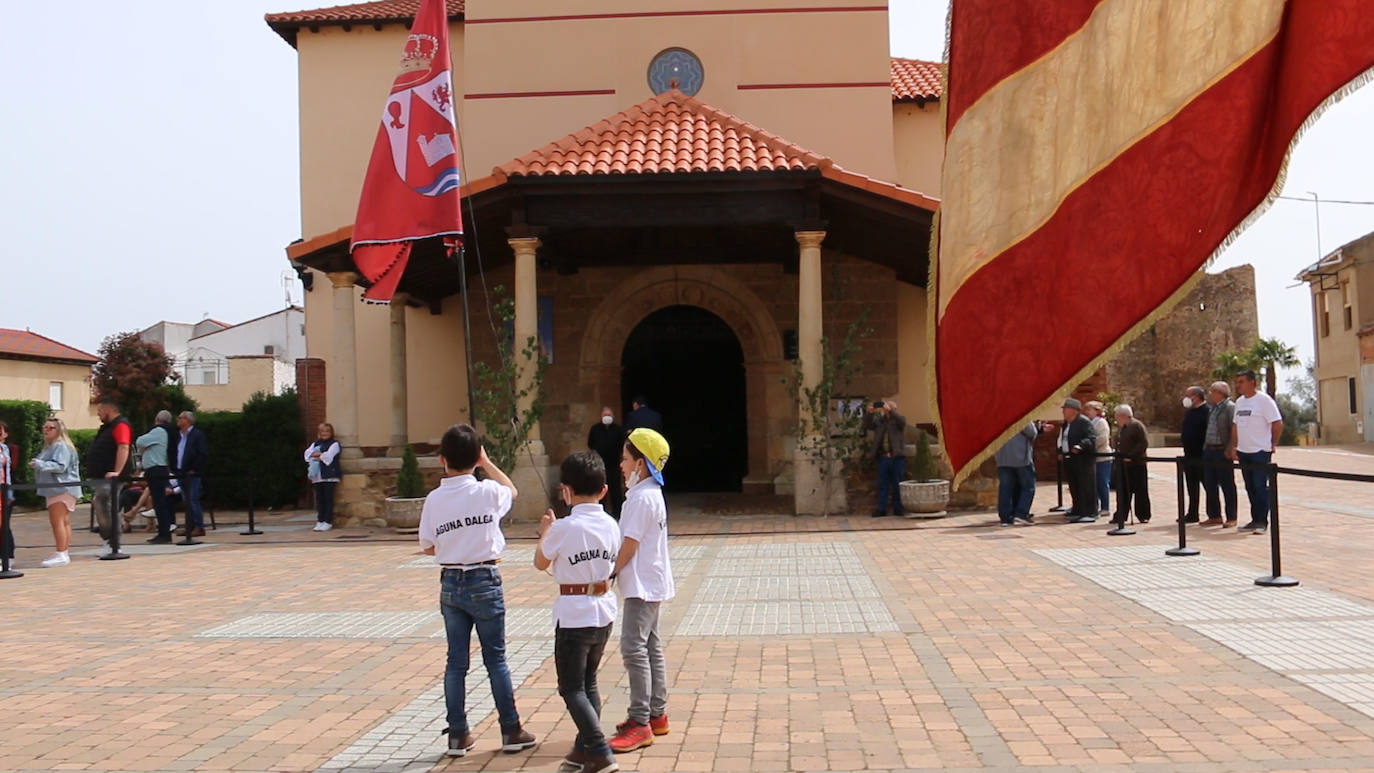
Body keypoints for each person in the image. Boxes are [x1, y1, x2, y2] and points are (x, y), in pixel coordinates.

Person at [418, 423, 536, 758]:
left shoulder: (434, 499)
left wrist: (451, 546)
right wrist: (487, 464)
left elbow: (427, 545)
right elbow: (511, 490)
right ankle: (511, 729)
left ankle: (457, 734)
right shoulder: (487, 492)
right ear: (476, 458)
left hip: (451, 581)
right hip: (485, 577)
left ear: (443, 460)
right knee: (495, 659)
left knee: (456, 662)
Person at [535, 451, 622, 773]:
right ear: (603, 489)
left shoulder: (564, 527)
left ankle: (600, 752)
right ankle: (580, 751)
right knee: (588, 684)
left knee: (571, 688)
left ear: (566, 491)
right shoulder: (612, 524)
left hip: (573, 614)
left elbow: (540, 562)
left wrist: (545, 531)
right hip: (603, 610)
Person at [608, 429, 674, 753]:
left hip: (641, 586)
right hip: (652, 582)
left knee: (633, 648)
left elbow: (629, 545)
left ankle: (640, 722)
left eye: (625, 458)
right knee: (650, 646)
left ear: (641, 464)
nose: (621, 465)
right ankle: (656, 714)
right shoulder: (650, 494)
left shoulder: (640, 497)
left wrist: (610, 571)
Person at [1229, 370, 1283, 534]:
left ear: (1253, 382)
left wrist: (1273, 443)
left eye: (1242, 382)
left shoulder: (1264, 401)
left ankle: (1262, 521)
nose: (1238, 385)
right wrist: (1234, 446)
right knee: (1250, 486)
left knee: (1260, 486)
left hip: (1260, 450)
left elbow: (1277, 423)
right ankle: (1254, 519)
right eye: (1237, 382)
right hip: (1244, 451)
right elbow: (1235, 426)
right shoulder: (1239, 402)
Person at [32, 418, 82, 567]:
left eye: (51, 428)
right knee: (63, 521)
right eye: (45, 427)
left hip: (60, 488)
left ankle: (61, 552)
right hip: (58, 488)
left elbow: (60, 466)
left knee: (58, 522)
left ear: (59, 430)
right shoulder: (51, 446)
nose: (46, 430)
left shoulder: (60, 446)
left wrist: (39, 464)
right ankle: (63, 552)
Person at [87, 398, 133, 556]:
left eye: (100, 410)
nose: (98, 413)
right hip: (101, 476)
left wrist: (117, 471)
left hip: (111, 477)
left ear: (109, 409)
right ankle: (110, 539)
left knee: (105, 504)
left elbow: (123, 446)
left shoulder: (120, 425)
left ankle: (114, 541)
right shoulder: (107, 427)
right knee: (101, 504)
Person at [1201, 381, 1239, 527]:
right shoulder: (1212, 408)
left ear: (1220, 393)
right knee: (1210, 484)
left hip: (1222, 451)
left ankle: (1231, 517)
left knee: (1227, 485)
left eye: (1212, 391)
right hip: (1209, 450)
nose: (1210, 394)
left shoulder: (1230, 408)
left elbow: (1233, 429)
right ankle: (1214, 515)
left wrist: (1230, 447)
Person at [136, 410, 176, 543]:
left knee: (159, 503)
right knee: (159, 502)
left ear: (157, 419)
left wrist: (145, 447)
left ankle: (164, 534)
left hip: (156, 469)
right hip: (159, 468)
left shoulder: (158, 431)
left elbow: (140, 441)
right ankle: (163, 532)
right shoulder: (166, 431)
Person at [862, 399, 907, 517]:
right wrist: (869, 413)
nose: (885, 408)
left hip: (897, 457)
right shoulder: (880, 421)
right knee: (883, 484)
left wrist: (891, 412)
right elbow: (867, 425)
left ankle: (898, 508)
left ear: (894, 409)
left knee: (898, 484)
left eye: (889, 406)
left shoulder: (898, 420)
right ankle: (881, 509)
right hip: (883, 458)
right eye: (885, 406)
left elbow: (903, 422)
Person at [1057, 398, 1098, 523]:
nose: (1063, 411)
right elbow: (1062, 439)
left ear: (1074, 410)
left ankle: (1089, 511)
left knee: (1085, 485)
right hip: (1069, 459)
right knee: (1074, 485)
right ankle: (1078, 508)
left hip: (1082, 460)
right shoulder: (1066, 423)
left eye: (1066, 408)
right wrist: (1060, 451)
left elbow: (1091, 438)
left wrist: (1080, 446)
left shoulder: (1084, 422)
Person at [993, 422, 1039, 527]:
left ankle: (1005, 518)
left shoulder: (995, 415)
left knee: (1005, 488)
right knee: (1028, 486)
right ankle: (1021, 514)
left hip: (1002, 457)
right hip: (1020, 457)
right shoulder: (1019, 413)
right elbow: (1032, 432)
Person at [1111, 404, 1151, 526]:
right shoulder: (1121, 428)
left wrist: (1131, 456)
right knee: (1122, 491)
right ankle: (1121, 515)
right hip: (1123, 464)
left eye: (1117, 416)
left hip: (1136, 464)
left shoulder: (1136, 425)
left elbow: (1143, 443)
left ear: (1123, 416)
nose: (1116, 419)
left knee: (1140, 491)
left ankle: (1143, 515)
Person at [173, 411, 209, 537]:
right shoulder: (180, 436)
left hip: (192, 473)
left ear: (187, 420)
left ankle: (199, 526)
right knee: (186, 500)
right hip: (181, 472)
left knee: (193, 499)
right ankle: (190, 526)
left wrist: (195, 469)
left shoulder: (197, 435)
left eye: (180, 418)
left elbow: (202, 453)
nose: (177, 420)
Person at [587, 407, 625, 518]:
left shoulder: (617, 429)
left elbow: (622, 444)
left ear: (612, 416)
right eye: (605, 415)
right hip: (600, 465)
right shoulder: (595, 429)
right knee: (600, 489)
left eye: (609, 414)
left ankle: (617, 514)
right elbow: (590, 443)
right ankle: (601, 513)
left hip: (613, 464)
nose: (607, 417)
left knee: (615, 491)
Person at [1180, 386, 1209, 523]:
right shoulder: (1190, 412)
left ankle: (1214, 514)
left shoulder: (1206, 411)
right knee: (1191, 486)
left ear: (1196, 396)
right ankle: (1192, 513)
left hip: (1201, 456)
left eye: (1188, 395)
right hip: (1189, 455)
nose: (1185, 398)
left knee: (1208, 486)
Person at [305, 423, 342, 531]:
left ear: (331, 433)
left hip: (329, 475)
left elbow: (328, 457)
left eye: (327, 431)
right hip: (317, 476)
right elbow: (307, 454)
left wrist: (317, 455)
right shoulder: (316, 443)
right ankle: (320, 520)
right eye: (322, 431)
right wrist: (318, 455)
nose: (324, 433)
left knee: (328, 499)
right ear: (319, 433)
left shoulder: (334, 444)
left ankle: (328, 521)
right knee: (320, 500)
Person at [1083, 401, 1113, 517]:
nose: (1087, 412)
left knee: (1102, 482)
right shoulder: (1089, 422)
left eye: (1090, 409)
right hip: (1092, 457)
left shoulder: (1101, 423)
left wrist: (1091, 445)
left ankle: (1105, 507)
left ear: (1097, 411)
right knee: (1093, 483)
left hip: (1102, 456)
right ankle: (1094, 506)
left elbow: (1103, 438)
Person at [0, 422, 15, 568]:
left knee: (4, 525)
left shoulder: (5, 449)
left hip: (3, 490)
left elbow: (7, 472)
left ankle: (7, 557)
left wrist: (9, 493)